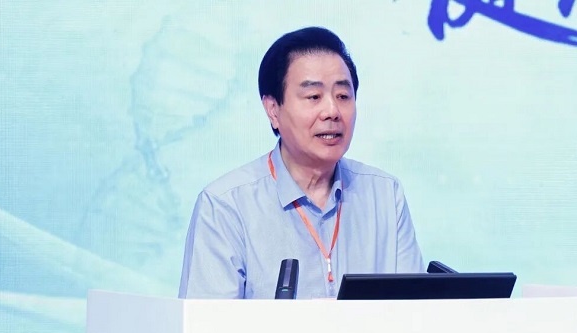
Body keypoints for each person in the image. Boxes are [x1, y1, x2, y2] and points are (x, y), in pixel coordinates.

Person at [179, 26, 424, 299]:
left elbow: (415, 313)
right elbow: (207, 323)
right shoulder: (226, 206)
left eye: (343, 96)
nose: (332, 111)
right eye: (313, 97)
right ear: (273, 110)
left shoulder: (385, 195)